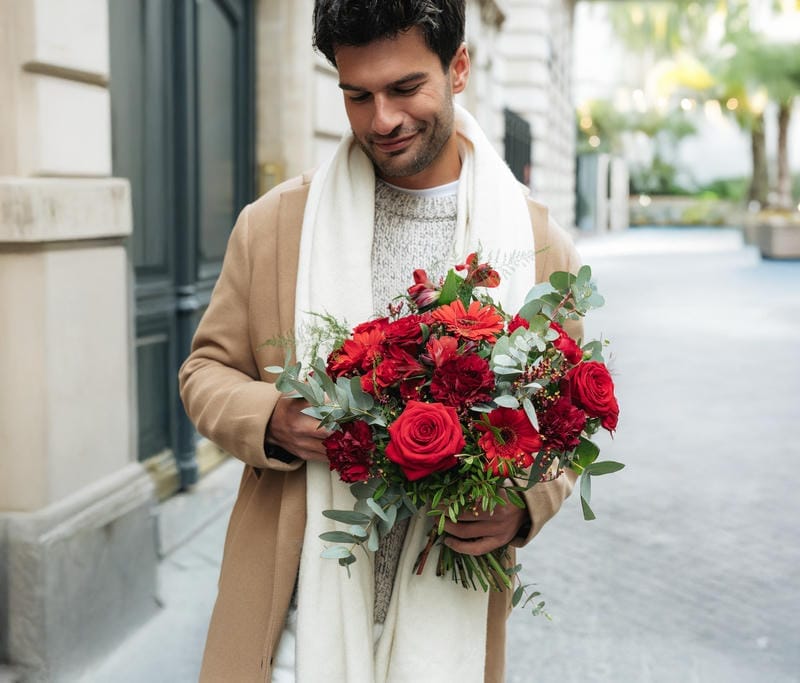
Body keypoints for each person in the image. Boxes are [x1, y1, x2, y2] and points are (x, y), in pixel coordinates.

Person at [179, 1, 582, 681]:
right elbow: (205, 369)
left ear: (458, 69)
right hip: (291, 617)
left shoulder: (539, 247)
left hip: (446, 610)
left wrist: (523, 506)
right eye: (356, 95)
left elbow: (563, 431)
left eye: (404, 88)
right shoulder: (274, 226)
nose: (382, 119)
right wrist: (273, 417)